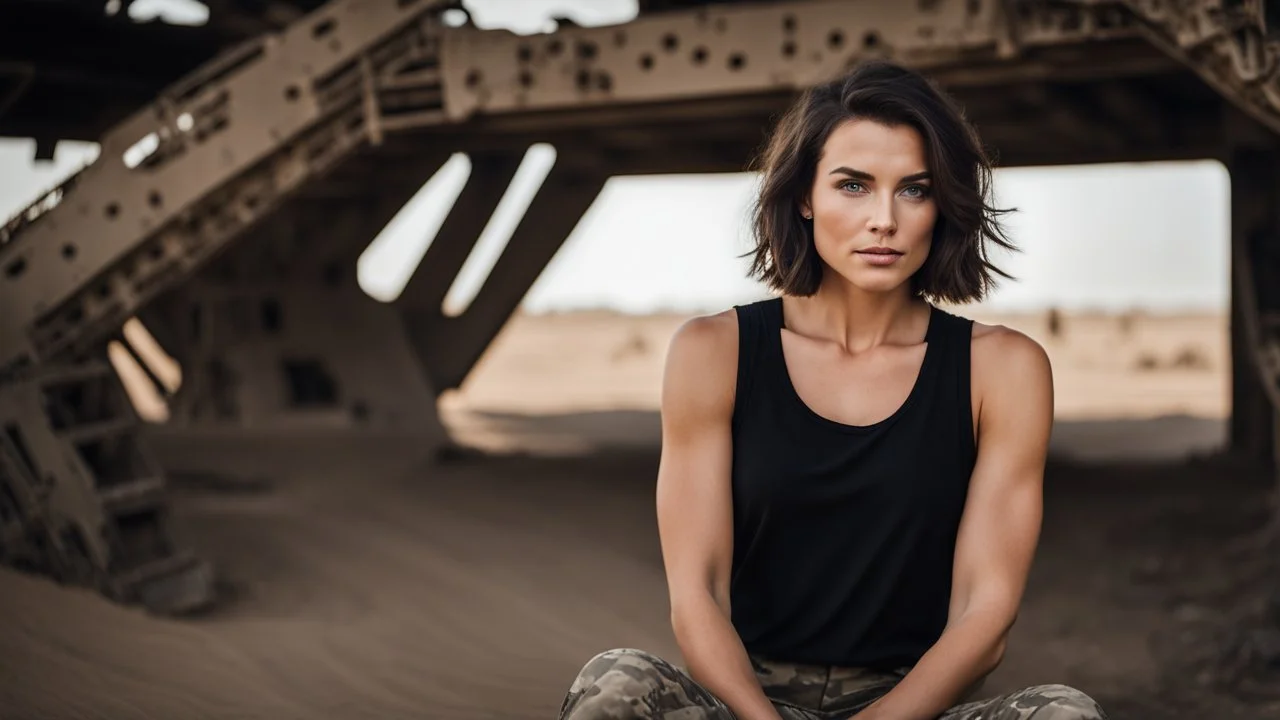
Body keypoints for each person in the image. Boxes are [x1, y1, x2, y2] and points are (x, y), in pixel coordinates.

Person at [556, 61, 1108, 720]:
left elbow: (984, 616)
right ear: (804, 195)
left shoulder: (1003, 369)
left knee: (1063, 712)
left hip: (909, 707)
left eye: (914, 189)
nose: (884, 219)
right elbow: (696, 594)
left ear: (943, 203)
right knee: (615, 683)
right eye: (853, 185)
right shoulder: (715, 353)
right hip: (745, 701)